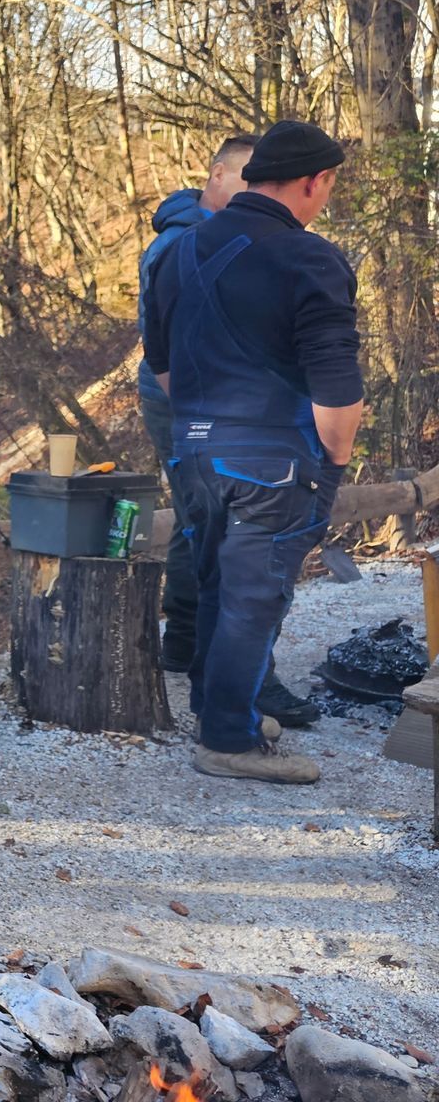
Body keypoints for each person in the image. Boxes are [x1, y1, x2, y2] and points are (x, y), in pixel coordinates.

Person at [142, 120, 362, 784]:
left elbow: (162, 364)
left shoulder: (178, 248)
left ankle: (219, 711)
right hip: (273, 459)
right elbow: (336, 388)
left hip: (193, 451)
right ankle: (227, 742)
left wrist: (204, 427)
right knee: (254, 600)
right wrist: (335, 464)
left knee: (217, 583)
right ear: (314, 181)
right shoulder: (309, 257)